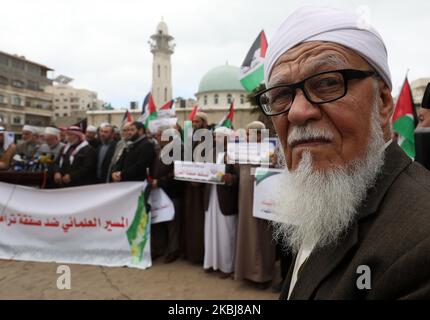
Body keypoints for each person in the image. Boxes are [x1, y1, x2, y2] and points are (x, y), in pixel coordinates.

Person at [258, 6, 430, 299]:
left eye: (327, 83)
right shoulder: (329, 197)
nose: (298, 112)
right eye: (281, 96)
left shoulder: (420, 239)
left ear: (383, 103)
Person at [234, 121, 276, 289]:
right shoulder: (243, 150)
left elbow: (274, 170)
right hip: (244, 197)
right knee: (246, 231)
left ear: (260, 135)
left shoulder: (270, 149)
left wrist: (272, 162)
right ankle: (246, 272)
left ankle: (262, 276)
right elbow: (238, 170)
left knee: (261, 235)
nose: (249, 137)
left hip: (263, 195)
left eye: (252, 133)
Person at [203, 127, 239, 278]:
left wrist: (229, 178)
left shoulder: (234, 153)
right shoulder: (210, 152)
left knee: (226, 233)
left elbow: (239, 177)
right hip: (211, 196)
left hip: (225, 198)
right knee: (211, 230)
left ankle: (227, 267)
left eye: (218, 136)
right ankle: (211, 262)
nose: (215, 138)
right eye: (215, 136)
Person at [150, 126, 184, 263]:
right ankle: (159, 249)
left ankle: (173, 250)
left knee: (172, 223)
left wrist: (160, 182)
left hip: (172, 191)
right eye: (157, 134)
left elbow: (177, 173)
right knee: (159, 220)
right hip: (158, 192)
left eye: (159, 135)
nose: (157, 137)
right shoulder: (158, 150)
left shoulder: (179, 151)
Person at [182, 112, 209, 264]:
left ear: (204, 123)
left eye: (197, 121)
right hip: (190, 185)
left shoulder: (209, 139)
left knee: (200, 222)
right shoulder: (191, 139)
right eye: (193, 122)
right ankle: (191, 253)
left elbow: (211, 162)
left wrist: (200, 178)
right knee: (190, 221)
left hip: (203, 188)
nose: (194, 124)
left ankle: (201, 255)